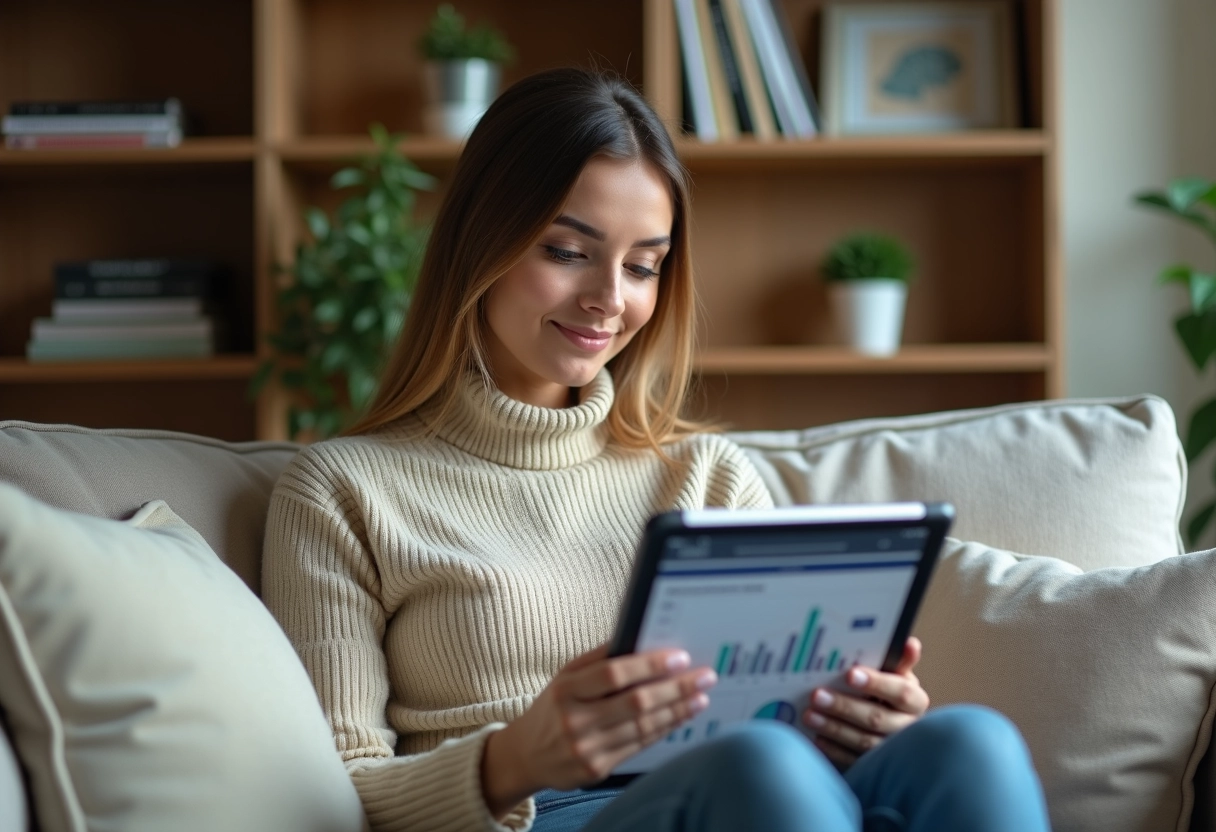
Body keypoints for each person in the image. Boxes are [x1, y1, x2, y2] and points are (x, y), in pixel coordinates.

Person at [261, 67, 1051, 832]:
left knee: (967, 743)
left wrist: (863, 723)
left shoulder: (706, 477)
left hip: (760, 792)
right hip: (541, 817)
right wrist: (515, 759)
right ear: (480, 243)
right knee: (760, 766)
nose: (610, 298)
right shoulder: (344, 490)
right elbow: (335, 793)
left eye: (643, 266)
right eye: (567, 251)